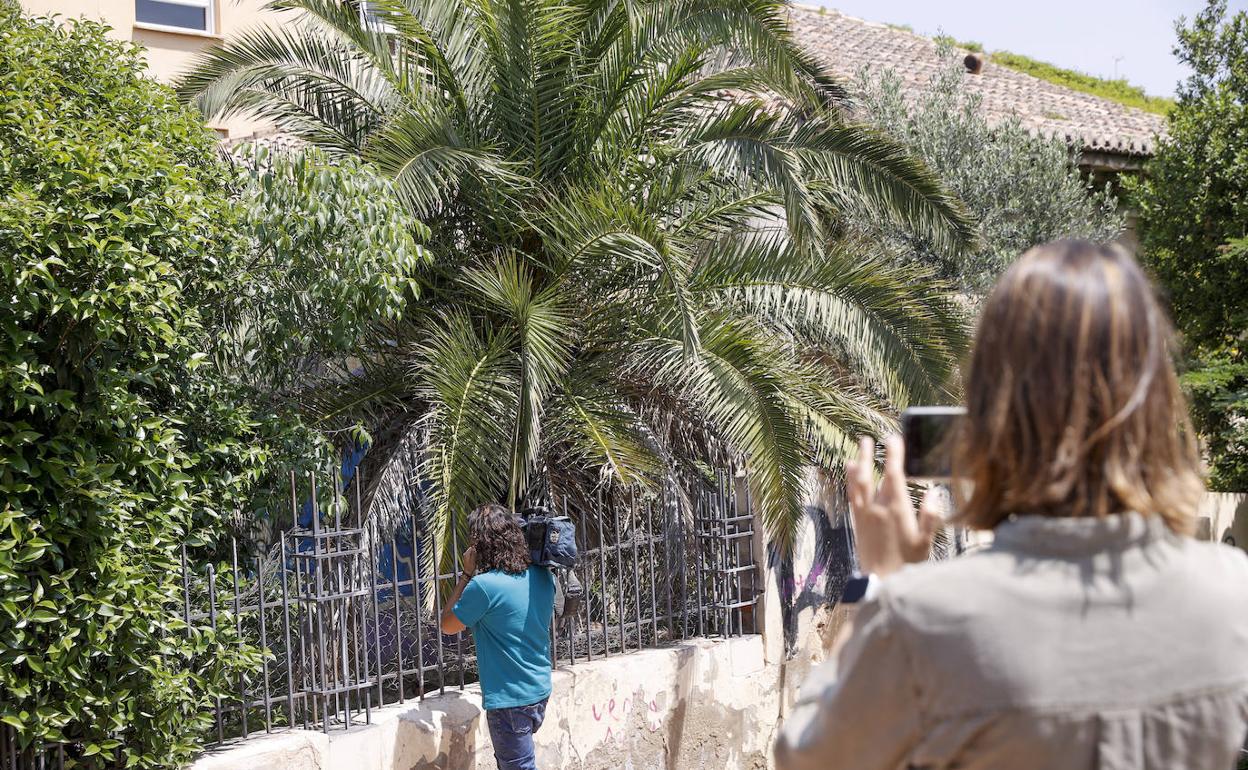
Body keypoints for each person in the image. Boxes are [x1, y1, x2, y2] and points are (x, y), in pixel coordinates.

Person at [774, 240, 1248, 770]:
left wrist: (880, 585)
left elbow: (808, 758)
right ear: (1154, 399)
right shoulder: (1233, 595)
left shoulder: (924, 621)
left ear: (994, 410)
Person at [440, 503, 555, 770]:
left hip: (510, 702)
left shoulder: (484, 586)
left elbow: (447, 624)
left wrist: (467, 574)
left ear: (480, 545)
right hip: (539, 690)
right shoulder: (542, 576)